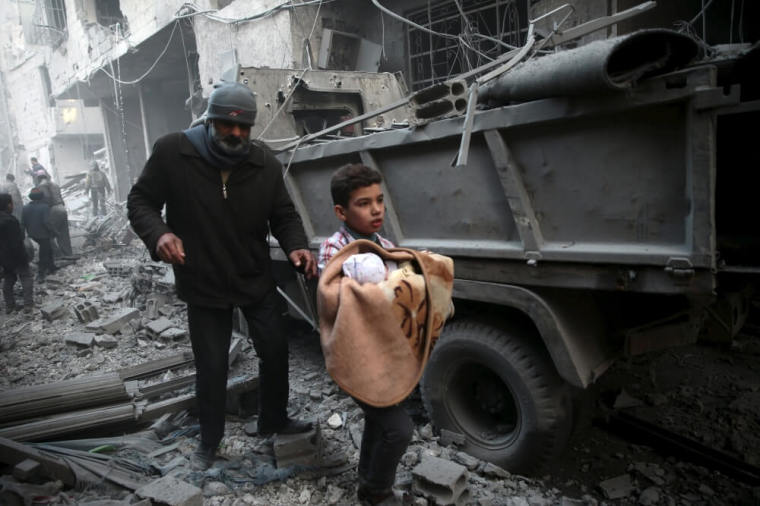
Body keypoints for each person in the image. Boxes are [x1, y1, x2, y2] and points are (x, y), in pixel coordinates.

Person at [127, 82, 318, 471]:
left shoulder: (264, 163)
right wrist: (160, 233)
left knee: (275, 350)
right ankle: (209, 441)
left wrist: (296, 244)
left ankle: (274, 421)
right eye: (227, 127)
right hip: (203, 279)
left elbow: (283, 214)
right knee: (212, 365)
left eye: (244, 129)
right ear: (210, 121)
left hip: (253, 276)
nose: (236, 135)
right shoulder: (173, 152)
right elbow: (140, 202)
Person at [318, 163, 412, 506]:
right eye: (363, 203)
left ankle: (367, 483)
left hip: (384, 355)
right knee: (399, 429)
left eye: (379, 200)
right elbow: (335, 299)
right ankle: (377, 494)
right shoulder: (334, 249)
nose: (376, 210)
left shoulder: (385, 245)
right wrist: (379, 288)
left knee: (378, 422)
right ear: (341, 211)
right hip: (355, 357)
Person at [0, 193, 34, 314]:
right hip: (16, 255)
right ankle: (28, 305)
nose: (12, 206)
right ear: (8, 204)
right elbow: (17, 242)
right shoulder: (10, 220)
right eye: (11, 203)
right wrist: (24, 257)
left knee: (9, 279)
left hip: (3, 257)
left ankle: (10, 306)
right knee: (26, 277)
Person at [22, 188, 56, 281]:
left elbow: (23, 223)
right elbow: (47, 222)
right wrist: (54, 231)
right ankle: (41, 274)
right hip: (43, 234)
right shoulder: (44, 207)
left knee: (48, 249)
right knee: (44, 254)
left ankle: (52, 267)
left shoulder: (25, 208)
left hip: (32, 234)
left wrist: (23, 236)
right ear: (41, 197)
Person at [36, 174, 72, 257]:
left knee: (47, 233)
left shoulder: (41, 186)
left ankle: (57, 255)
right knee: (63, 234)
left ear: (39, 179)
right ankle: (68, 254)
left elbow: (47, 198)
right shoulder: (55, 185)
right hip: (62, 208)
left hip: (53, 209)